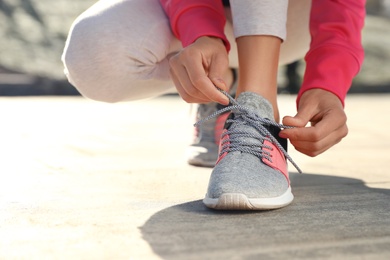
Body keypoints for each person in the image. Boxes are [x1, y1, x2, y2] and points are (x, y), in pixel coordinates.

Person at [62, 0, 365, 210]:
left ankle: (258, 108)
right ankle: (224, 87)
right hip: (200, 12)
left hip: (292, 18)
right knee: (94, 56)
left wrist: (328, 83)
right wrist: (201, 32)